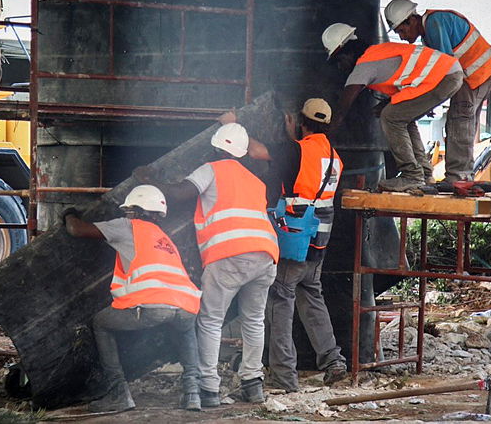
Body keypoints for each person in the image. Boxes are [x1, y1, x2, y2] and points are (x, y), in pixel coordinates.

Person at [139, 123, 279, 407]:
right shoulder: (255, 179)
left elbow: (179, 194)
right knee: (254, 320)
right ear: (241, 153)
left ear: (216, 147)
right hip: (266, 254)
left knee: (211, 320)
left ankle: (208, 388)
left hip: (229, 253)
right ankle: (253, 384)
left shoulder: (210, 169)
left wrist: (150, 180)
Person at [222, 99, 347, 392]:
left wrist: (231, 124)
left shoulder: (296, 150)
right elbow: (300, 167)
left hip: (294, 240)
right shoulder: (333, 156)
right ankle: (333, 362)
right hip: (319, 241)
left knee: (280, 303)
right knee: (312, 296)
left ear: (302, 122)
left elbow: (257, 151)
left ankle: (284, 376)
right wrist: (293, 137)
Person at [62, 185, 202, 413]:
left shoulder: (127, 226)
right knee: (185, 329)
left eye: (129, 210)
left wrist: (69, 213)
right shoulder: (164, 238)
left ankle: (118, 392)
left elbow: (76, 230)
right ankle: (193, 393)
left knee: (100, 322)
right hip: (186, 306)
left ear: (135, 210)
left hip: (154, 305)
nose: (127, 214)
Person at [321, 23, 463, 192]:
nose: (340, 67)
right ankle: (424, 174)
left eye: (339, 60)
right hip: (448, 74)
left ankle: (411, 175)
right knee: (401, 117)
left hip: (443, 77)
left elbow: (342, 109)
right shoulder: (377, 54)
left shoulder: (364, 66)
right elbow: (406, 82)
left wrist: (321, 138)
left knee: (391, 116)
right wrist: (385, 103)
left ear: (348, 52)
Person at [384, 0, 491, 186]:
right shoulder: (430, 30)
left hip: (473, 73)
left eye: (402, 30)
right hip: (478, 72)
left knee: (459, 120)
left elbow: (445, 68)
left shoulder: (433, 24)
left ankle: (459, 177)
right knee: (464, 121)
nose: (401, 36)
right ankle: (461, 175)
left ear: (412, 20)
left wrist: (427, 99)